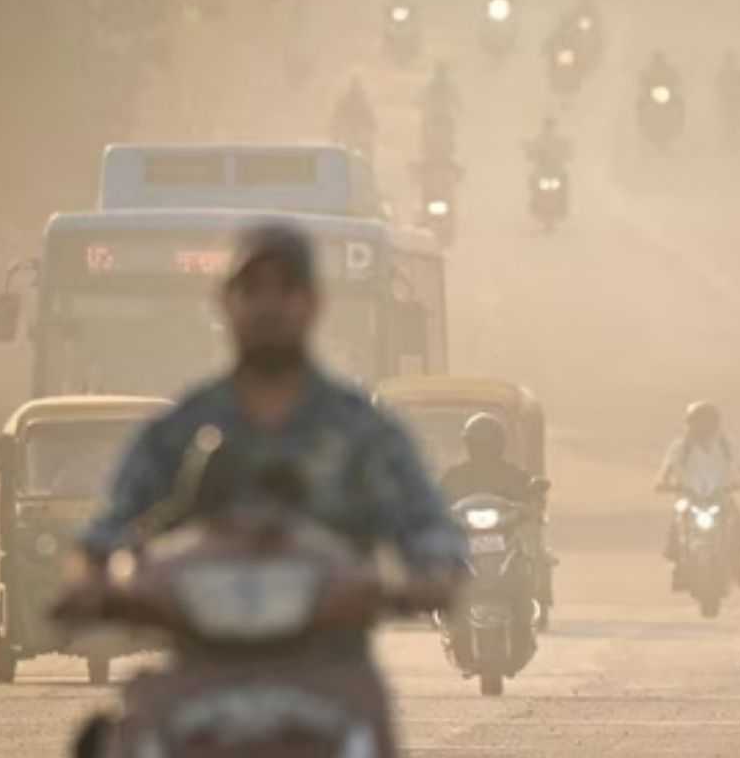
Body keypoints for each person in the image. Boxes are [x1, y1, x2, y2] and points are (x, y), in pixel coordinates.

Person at [75, 221, 468, 613]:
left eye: (286, 290)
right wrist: (94, 576)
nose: (269, 306)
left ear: (313, 303)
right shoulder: (180, 429)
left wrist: (434, 574)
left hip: (332, 658)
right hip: (204, 659)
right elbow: (111, 528)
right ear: (226, 302)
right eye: (253, 290)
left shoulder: (364, 430)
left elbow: (428, 526)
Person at [439, 413, 552, 647]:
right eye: (478, 443)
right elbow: (436, 498)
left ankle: (533, 609)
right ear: (468, 444)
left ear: (499, 444)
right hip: (466, 537)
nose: (483, 448)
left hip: (505, 537)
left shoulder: (514, 475)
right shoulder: (455, 476)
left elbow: (533, 495)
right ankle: (447, 620)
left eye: (487, 443)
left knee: (529, 559)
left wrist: (532, 503)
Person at [656, 401, 740, 588]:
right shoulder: (680, 448)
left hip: (720, 496)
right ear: (690, 424)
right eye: (698, 422)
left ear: (715, 424)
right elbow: (666, 471)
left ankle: (736, 564)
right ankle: (677, 564)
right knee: (677, 524)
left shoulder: (726, 445)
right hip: (689, 497)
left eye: (707, 422)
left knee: (738, 527)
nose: (702, 427)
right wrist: (662, 483)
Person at [330, 76, 378, 159]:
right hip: (350, 135)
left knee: (363, 153)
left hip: (357, 135)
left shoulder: (360, 101)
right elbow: (337, 116)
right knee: (354, 154)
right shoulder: (349, 100)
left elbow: (370, 118)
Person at [717, 49, 740, 145]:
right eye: (728, 60)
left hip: (735, 101)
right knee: (728, 122)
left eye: (731, 59)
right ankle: (730, 142)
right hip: (727, 101)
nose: (730, 62)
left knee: (734, 122)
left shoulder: (739, 74)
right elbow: (718, 87)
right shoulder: (723, 73)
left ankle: (734, 142)